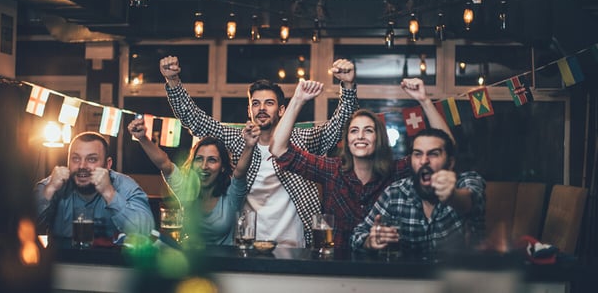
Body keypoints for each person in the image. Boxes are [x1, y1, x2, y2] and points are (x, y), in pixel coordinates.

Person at [159, 56, 358, 247]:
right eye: (256, 103)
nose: (261, 108)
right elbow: (196, 120)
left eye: (269, 103)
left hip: (296, 245)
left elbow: (339, 128)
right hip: (248, 245)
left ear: (281, 110)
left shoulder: (302, 140)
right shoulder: (239, 141)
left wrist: (348, 87)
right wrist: (173, 81)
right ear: (249, 111)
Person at [270, 78, 454, 250]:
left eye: (368, 131)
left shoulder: (394, 171)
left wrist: (425, 100)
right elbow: (278, 149)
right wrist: (298, 99)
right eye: (354, 131)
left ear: (378, 138)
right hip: (335, 265)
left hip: (383, 266)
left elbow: (445, 149)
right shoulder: (331, 169)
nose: (360, 136)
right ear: (347, 139)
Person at [350, 128, 486, 256]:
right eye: (417, 154)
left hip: (461, 277)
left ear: (450, 163)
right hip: (409, 279)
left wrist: (452, 196)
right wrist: (370, 241)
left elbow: (469, 201)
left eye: (433, 154)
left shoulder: (467, 181)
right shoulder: (395, 193)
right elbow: (357, 235)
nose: (424, 161)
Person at [127, 117, 259, 245]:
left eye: (212, 160)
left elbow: (240, 172)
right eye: (199, 159)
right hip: (191, 263)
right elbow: (164, 164)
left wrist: (249, 146)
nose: (204, 166)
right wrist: (143, 138)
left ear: (223, 167)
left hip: (226, 263)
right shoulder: (185, 189)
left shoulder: (232, 195)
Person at [35, 131, 154, 240]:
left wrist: (109, 193)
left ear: (108, 164)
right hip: (62, 260)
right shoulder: (51, 185)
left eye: (91, 159)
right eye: (75, 159)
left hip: (112, 261)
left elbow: (146, 232)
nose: (82, 166)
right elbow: (24, 229)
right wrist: (49, 191)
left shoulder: (125, 186)